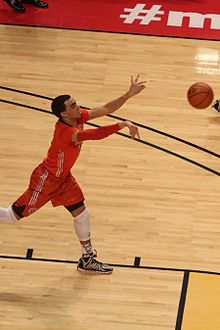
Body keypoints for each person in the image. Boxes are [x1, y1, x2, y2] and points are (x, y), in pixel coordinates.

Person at [0, 75, 145, 274]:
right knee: (11, 216)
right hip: (45, 181)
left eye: (76, 104)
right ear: (64, 114)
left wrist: (128, 94)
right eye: (73, 106)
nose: (78, 108)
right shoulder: (65, 132)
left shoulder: (77, 118)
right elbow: (93, 135)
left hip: (63, 179)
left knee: (82, 215)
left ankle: (87, 260)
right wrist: (120, 125)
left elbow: (105, 108)